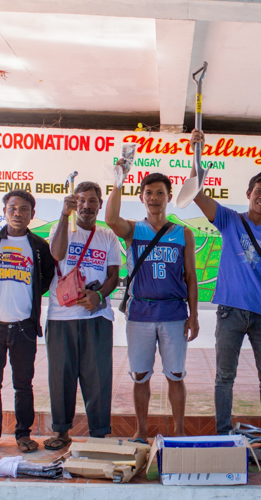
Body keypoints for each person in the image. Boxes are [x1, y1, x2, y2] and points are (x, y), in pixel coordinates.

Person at [188, 130, 261, 435]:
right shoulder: (229, 219)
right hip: (230, 312)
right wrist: (196, 151)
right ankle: (222, 433)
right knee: (224, 377)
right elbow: (195, 193)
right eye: (259, 191)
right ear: (249, 193)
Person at [105, 172, 199, 441]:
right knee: (140, 376)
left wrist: (194, 316)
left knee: (176, 375)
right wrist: (118, 182)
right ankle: (141, 431)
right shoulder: (134, 230)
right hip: (140, 315)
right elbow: (111, 219)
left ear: (169, 197)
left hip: (173, 314)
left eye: (160, 193)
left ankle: (179, 431)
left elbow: (191, 277)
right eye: (149, 193)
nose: (154, 198)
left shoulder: (184, 234)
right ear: (141, 197)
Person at [0, 190, 54, 454]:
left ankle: (23, 434)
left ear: (32, 214)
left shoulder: (39, 247)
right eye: (13, 208)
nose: (18, 214)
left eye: (24, 209)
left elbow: (45, 281)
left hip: (24, 328)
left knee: (23, 385)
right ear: (4, 211)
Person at [43, 182, 122, 450]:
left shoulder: (108, 237)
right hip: (61, 316)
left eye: (92, 201)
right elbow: (57, 253)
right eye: (81, 201)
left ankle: (99, 433)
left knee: (98, 377)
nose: (87, 206)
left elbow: (114, 276)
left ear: (100, 204)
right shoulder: (61, 228)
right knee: (61, 376)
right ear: (74, 203)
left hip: (97, 318)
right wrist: (65, 217)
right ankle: (61, 431)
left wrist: (99, 297)